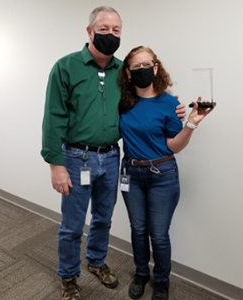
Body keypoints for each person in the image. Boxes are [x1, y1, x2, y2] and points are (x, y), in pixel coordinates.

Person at [41, 6, 186, 300]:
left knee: (103, 219)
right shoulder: (65, 67)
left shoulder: (124, 71)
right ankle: (68, 276)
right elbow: (53, 116)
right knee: (72, 225)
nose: (110, 34)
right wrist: (55, 163)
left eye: (116, 30)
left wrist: (177, 107)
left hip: (111, 159)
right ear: (89, 31)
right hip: (75, 158)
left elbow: (149, 96)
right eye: (104, 29)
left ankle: (95, 261)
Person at [118, 46, 214, 300]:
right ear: (128, 73)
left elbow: (174, 146)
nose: (142, 70)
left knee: (158, 234)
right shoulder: (123, 101)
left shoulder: (170, 103)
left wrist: (191, 123)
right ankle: (141, 274)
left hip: (162, 175)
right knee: (138, 229)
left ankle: (161, 280)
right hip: (131, 173)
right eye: (136, 67)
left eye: (146, 65)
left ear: (156, 67)